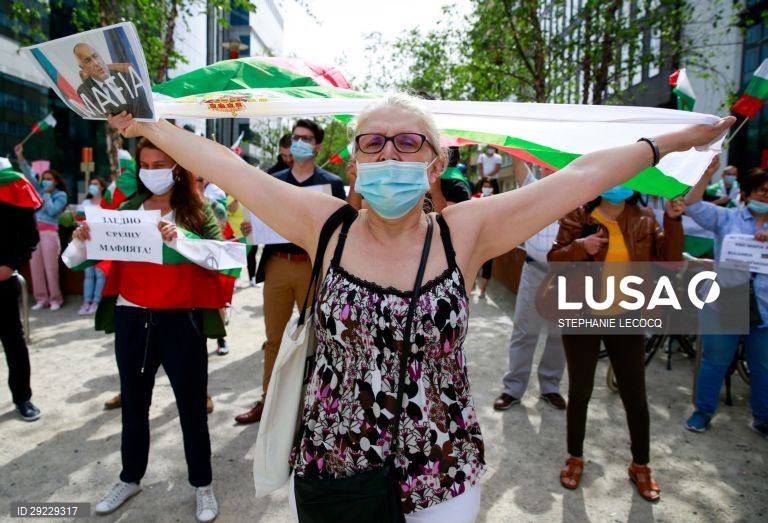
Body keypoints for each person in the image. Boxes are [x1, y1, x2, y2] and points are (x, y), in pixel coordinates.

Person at [107, 95, 732, 521]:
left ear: (435, 162)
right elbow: (228, 167)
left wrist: (677, 139)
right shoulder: (324, 224)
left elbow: (583, 174)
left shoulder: (466, 231)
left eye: (408, 142)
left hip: (441, 462)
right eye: (372, 143)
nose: (388, 154)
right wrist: (152, 129)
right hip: (335, 460)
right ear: (352, 161)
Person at [72, 138, 227, 522]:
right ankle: (130, 477)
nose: (151, 170)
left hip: (181, 321)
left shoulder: (197, 211)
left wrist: (183, 240)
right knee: (134, 404)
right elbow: (82, 259)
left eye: (160, 162)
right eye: (145, 163)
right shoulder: (126, 209)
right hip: (132, 319)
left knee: (191, 407)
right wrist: (81, 241)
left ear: (177, 167)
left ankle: (202, 485)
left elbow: (224, 258)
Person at [548, 185, 687, 502]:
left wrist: (673, 220)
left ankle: (641, 464)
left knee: (635, 394)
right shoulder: (578, 213)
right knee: (580, 390)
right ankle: (575, 457)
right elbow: (555, 257)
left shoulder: (645, 218)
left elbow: (671, 260)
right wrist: (582, 245)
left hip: (628, 315)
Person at [234, 119, 346, 425]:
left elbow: (340, 230)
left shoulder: (331, 184)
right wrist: (249, 227)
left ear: (318, 146)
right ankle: (268, 402)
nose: (299, 142)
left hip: (313, 269)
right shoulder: (275, 179)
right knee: (274, 339)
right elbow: (258, 218)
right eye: (296, 137)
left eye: (306, 138)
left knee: (318, 339)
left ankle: (316, 407)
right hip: (277, 265)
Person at [683, 164, 768, 438]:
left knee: (763, 365)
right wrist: (707, 174)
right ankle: (703, 412)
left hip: (765, 310)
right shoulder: (726, 218)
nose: (766, 197)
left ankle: (762, 418)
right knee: (715, 360)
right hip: (726, 303)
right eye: (762, 191)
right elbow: (692, 204)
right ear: (747, 193)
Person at [493, 161, 567, 411]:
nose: (550, 168)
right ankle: (512, 389)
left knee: (559, 336)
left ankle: (550, 387)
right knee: (525, 332)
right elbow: (518, 165)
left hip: (567, 276)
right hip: (535, 270)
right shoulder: (533, 190)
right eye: (545, 164)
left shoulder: (578, 192)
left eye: (554, 164)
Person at [0, 157, 42, 421]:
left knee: (13, 342)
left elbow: (29, 238)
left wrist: (9, 265)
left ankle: (22, 397)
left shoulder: (14, 186)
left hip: (2, 280)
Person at [14, 143, 68, 311]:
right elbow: (29, 175)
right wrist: (20, 157)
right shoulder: (36, 190)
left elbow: (52, 211)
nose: (45, 181)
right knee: (35, 268)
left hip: (50, 235)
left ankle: (55, 299)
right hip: (35, 234)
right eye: (43, 179)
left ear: (56, 182)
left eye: (49, 179)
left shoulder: (61, 195)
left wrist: (47, 194)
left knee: (50, 268)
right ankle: (41, 298)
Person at [73, 43, 153, 119]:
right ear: (83, 68)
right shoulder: (84, 91)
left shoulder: (127, 76)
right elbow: (104, 117)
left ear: (101, 56)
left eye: (95, 56)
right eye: (88, 61)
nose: (96, 63)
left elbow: (146, 107)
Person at [78, 177, 107, 315]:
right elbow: (78, 220)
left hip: (102, 242)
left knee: (100, 273)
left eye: (95, 184)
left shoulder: (106, 203)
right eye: (91, 184)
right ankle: (86, 301)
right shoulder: (85, 203)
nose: (92, 186)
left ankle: (96, 301)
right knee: (88, 273)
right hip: (87, 242)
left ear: (102, 187)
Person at [470, 177, 500, 298]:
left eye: (489, 186)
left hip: (491, 237)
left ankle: (483, 290)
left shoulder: (498, 199)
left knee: (487, 266)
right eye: (485, 185)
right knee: (473, 263)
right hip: (476, 236)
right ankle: (471, 285)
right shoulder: (475, 197)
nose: (487, 188)